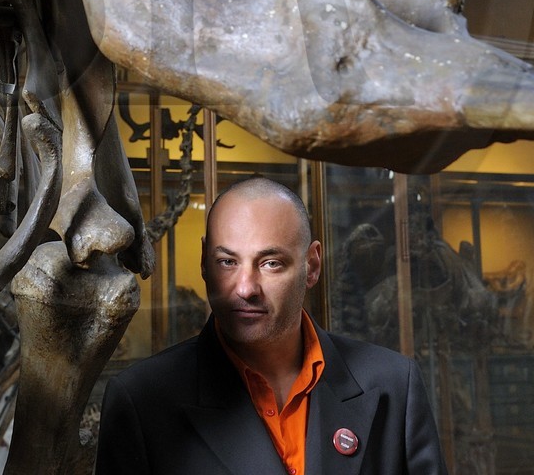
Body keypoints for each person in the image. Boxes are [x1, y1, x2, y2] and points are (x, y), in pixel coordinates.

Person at [95, 177, 447, 475]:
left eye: (271, 263)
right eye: (227, 261)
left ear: (311, 266)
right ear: (204, 262)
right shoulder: (142, 401)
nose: (245, 287)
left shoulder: (394, 386)